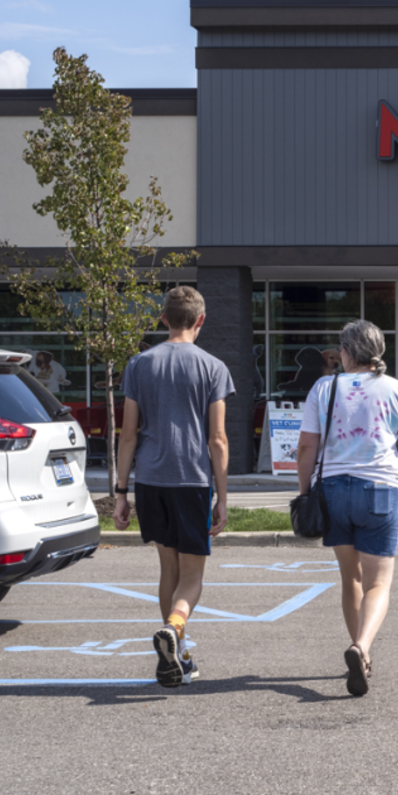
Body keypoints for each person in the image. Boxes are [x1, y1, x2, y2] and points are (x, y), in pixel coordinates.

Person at [297, 319, 398, 696]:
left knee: (351, 578)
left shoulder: (325, 387)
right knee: (378, 581)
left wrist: (305, 490)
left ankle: (358, 646)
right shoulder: (396, 389)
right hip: (380, 489)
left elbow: (307, 447)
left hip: (333, 490)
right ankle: (362, 648)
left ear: (346, 352)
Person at [111, 285, 234, 688]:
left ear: (163, 319)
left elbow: (127, 435)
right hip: (193, 480)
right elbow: (218, 439)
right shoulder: (213, 367)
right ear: (200, 320)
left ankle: (175, 658)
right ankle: (175, 629)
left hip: (150, 479)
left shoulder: (138, 365)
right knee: (193, 575)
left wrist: (121, 492)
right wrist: (223, 497)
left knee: (168, 568)